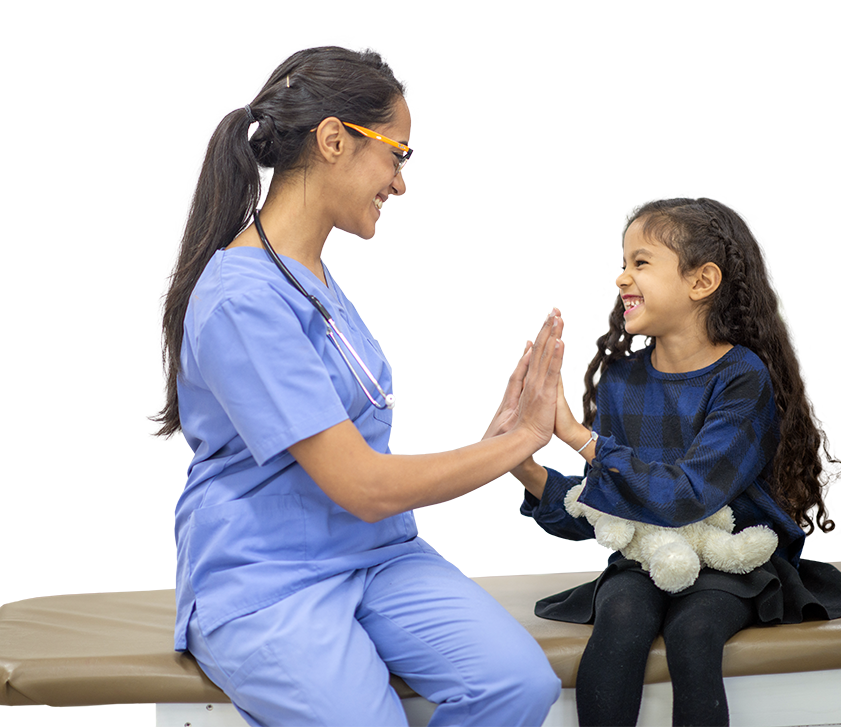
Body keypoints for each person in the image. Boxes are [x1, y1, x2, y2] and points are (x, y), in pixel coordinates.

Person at [152, 45, 563, 727]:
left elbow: (362, 472)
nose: (401, 183)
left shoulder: (313, 278)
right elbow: (362, 485)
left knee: (519, 683)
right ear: (335, 139)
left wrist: (497, 445)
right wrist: (520, 439)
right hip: (266, 580)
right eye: (397, 155)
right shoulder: (240, 300)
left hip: (375, 558)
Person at [508, 197, 841, 727]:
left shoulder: (741, 379)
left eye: (641, 262)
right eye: (621, 265)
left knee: (694, 632)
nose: (622, 278)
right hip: (649, 557)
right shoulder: (621, 381)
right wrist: (523, 461)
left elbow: (687, 494)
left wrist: (581, 438)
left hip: (731, 561)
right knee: (621, 618)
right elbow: (605, 507)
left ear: (701, 282)